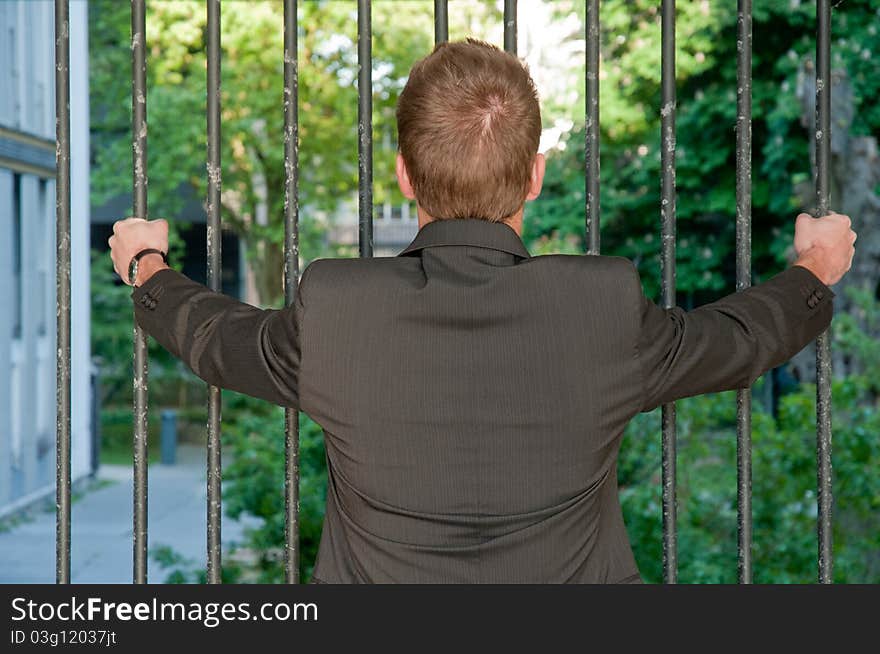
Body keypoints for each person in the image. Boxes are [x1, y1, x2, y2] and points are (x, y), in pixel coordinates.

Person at [108, 39, 856, 583]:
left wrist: (147, 265)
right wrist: (815, 266)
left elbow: (214, 338)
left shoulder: (338, 307)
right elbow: (737, 340)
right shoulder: (600, 303)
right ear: (535, 177)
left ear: (404, 175)